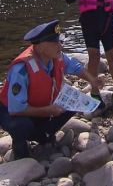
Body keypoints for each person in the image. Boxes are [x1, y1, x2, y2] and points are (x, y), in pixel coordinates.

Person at [0, 20, 102, 159]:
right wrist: (49, 110)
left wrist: (92, 80)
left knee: (73, 103)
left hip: (40, 106)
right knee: (21, 126)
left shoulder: (56, 56)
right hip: (12, 112)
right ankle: (21, 155)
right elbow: (16, 108)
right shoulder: (21, 69)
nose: (60, 45)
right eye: (55, 43)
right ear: (40, 47)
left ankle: (43, 136)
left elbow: (75, 67)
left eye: (59, 41)